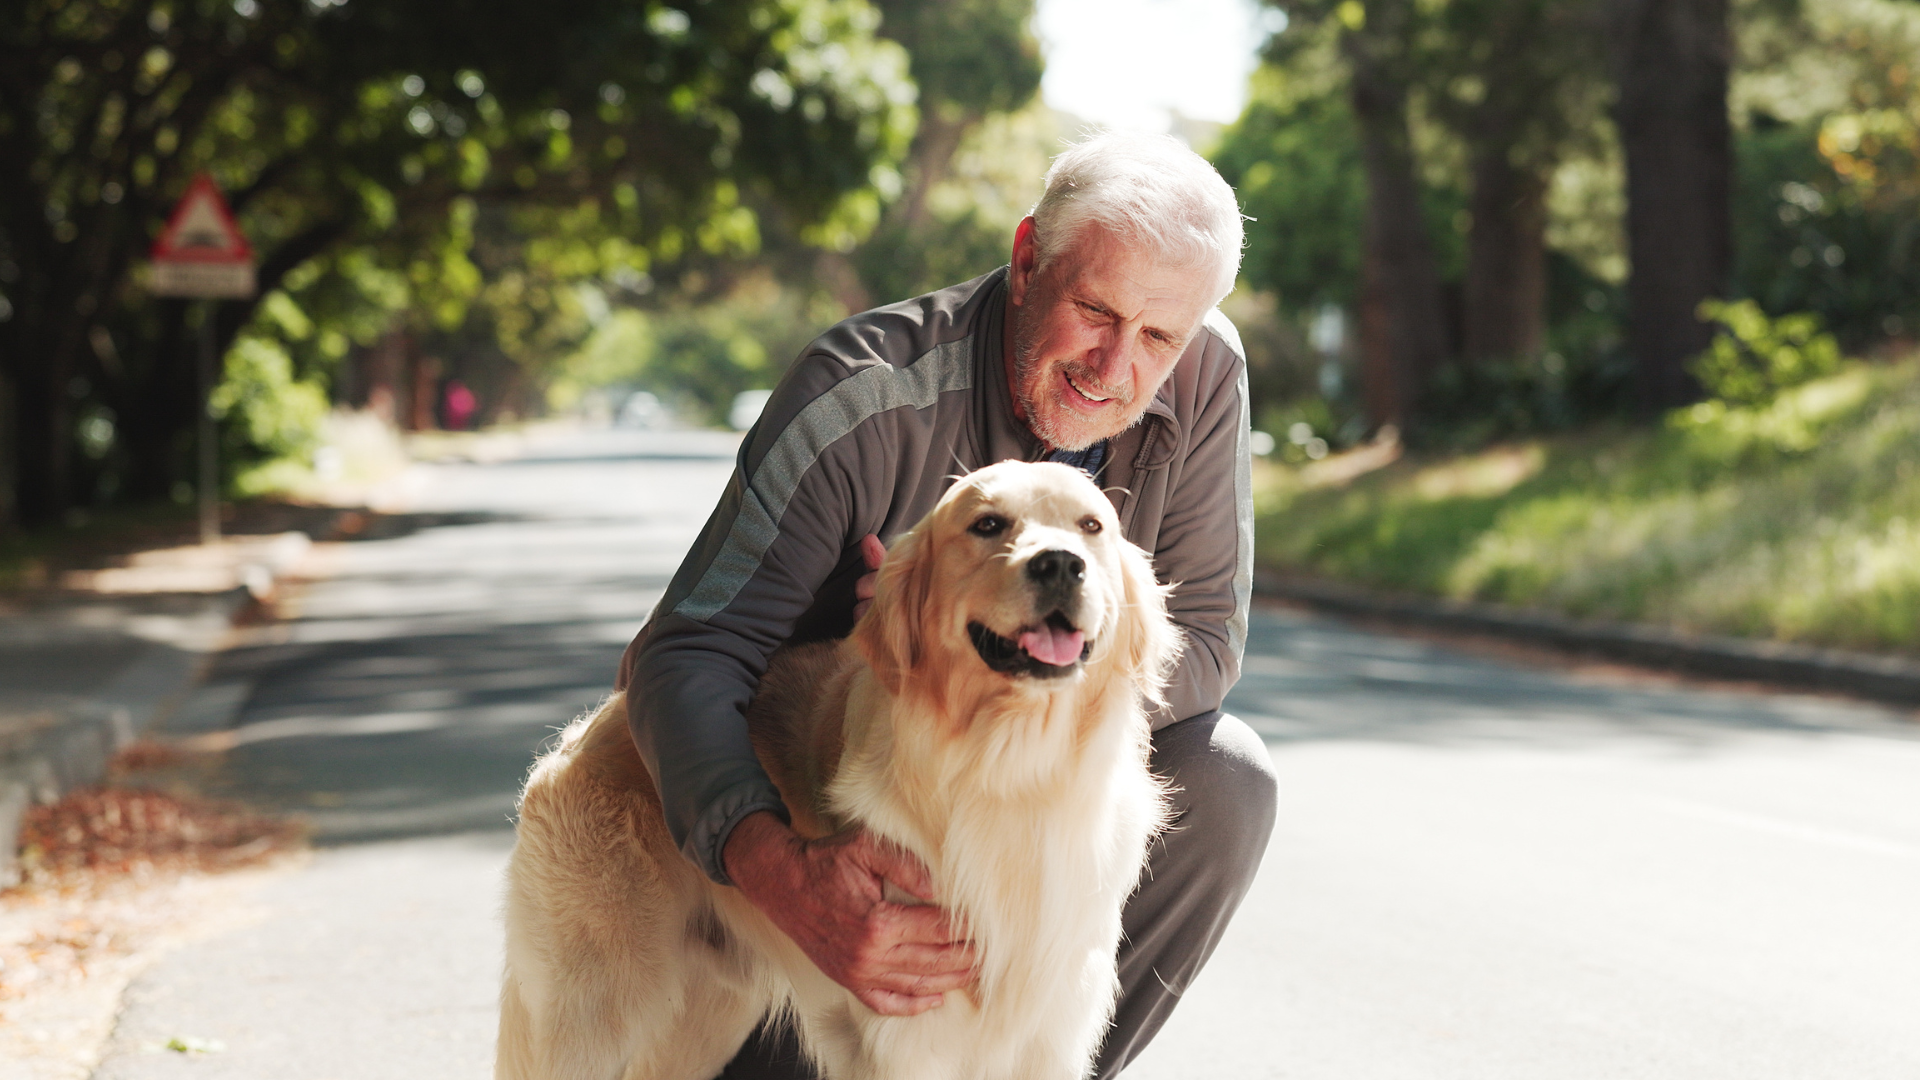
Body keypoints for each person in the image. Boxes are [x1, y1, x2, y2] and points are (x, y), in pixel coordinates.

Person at [616, 130, 1279, 1079]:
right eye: (1094, 309)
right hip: (826, 794)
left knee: (1224, 777)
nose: (1115, 362)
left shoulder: (1208, 364)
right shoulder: (858, 398)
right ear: (1025, 262)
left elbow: (1205, 635)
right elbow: (683, 656)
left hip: (1021, 803)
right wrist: (781, 871)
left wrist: (1034, 692)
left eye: (1159, 337)